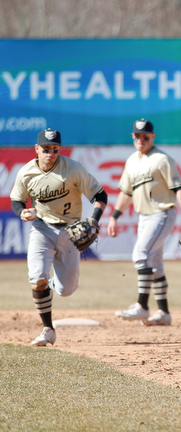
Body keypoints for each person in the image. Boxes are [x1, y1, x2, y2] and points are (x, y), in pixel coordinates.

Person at [10, 128, 107, 346]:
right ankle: (48, 329)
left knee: (66, 290)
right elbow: (17, 199)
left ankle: (50, 284)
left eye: (55, 149)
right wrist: (21, 212)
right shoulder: (26, 172)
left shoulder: (73, 169)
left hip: (71, 231)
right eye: (46, 149)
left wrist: (93, 220)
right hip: (42, 229)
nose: (50, 153)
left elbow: (100, 194)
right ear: (37, 149)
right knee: (36, 278)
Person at [108, 119, 181, 326]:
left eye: (145, 136)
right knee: (155, 264)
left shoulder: (162, 160)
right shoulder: (131, 161)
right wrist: (114, 216)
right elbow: (125, 192)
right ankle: (164, 312)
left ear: (153, 137)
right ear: (133, 137)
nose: (141, 139)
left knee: (140, 255)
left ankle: (142, 306)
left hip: (162, 213)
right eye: (137, 136)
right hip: (144, 217)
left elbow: (178, 188)